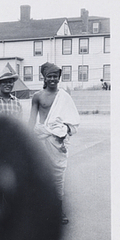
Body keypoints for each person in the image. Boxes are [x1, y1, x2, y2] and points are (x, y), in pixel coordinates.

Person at [28, 62, 80, 224]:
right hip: (41, 138)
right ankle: (39, 210)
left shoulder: (64, 96)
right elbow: (32, 119)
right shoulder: (37, 96)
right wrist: (29, 139)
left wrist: (63, 131)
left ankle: (59, 211)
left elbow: (72, 120)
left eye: (55, 76)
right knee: (41, 174)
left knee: (58, 177)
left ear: (59, 78)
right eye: (49, 76)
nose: (52, 79)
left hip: (57, 141)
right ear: (43, 77)